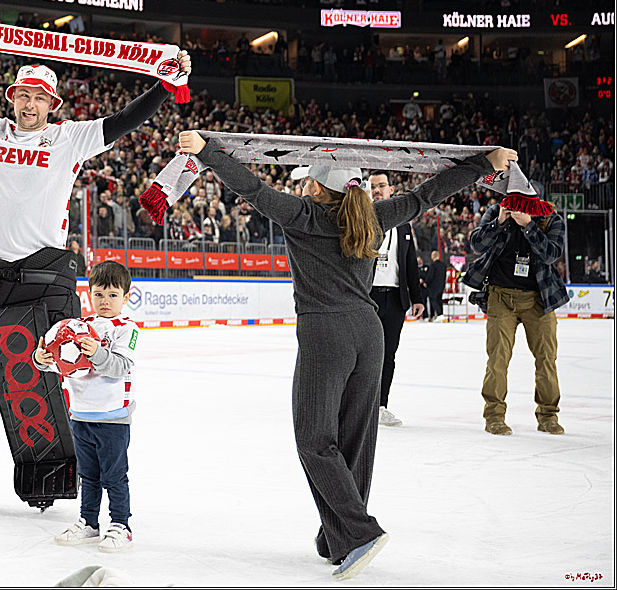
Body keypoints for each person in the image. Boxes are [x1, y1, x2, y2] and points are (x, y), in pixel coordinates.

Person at [178, 129, 515, 580]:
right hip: (369, 332)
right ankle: (337, 531)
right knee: (356, 439)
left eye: (306, 183)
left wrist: (207, 153)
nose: (302, 188)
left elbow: (253, 189)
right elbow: (425, 195)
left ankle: (359, 532)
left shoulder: (303, 215)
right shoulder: (373, 217)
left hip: (326, 333)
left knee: (315, 440)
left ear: (317, 187)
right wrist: (484, 164)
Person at [0, 16, 190, 508]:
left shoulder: (69, 139)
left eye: (39, 97)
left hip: (43, 281)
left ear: (52, 104)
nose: (29, 104)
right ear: (12, 99)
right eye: (23, 95)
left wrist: (164, 86)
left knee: (42, 381)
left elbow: (125, 121)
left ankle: (54, 477)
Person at [33, 260, 138, 552]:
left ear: (126, 297)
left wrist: (99, 353)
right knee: (88, 475)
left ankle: (121, 525)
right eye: (99, 294)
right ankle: (89, 523)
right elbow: (67, 366)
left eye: (113, 295)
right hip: (80, 415)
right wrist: (42, 361)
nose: (105, 301)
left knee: (114, 475)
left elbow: (120, 367)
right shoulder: (80, 327)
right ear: (88, 294)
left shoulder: (126, 329)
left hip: (112, 417)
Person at [461, 202, 568, 436]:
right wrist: (499, 222)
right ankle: (494, 416)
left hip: (539, 299)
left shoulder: (551, 219)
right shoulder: (496, 212)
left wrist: (529, 225)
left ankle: (548, 415)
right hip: (501, 295)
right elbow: (477, 243)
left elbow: (551, 254)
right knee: (497, 358)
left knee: (546, 358)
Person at [367, 171, 424, 427]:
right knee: (363, 355)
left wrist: (417, 297)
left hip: (395, 300)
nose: (377, 190)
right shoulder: (362, 219)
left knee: (388, 355)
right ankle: (356, 405)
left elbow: (410, 263)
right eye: (372, 187)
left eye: (381, 186)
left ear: (391, 190)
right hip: (366, 297)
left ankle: (380, 405)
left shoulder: (403, 224)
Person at [426, 250, 447, 320]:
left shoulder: (433, 265)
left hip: (433, 286)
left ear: (433, 256)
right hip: (441, 286)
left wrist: (426, 282)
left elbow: (430, 275)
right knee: (439, 300)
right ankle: (439, 314)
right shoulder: (443, 265)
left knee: (433, 300)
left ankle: (439, 314)